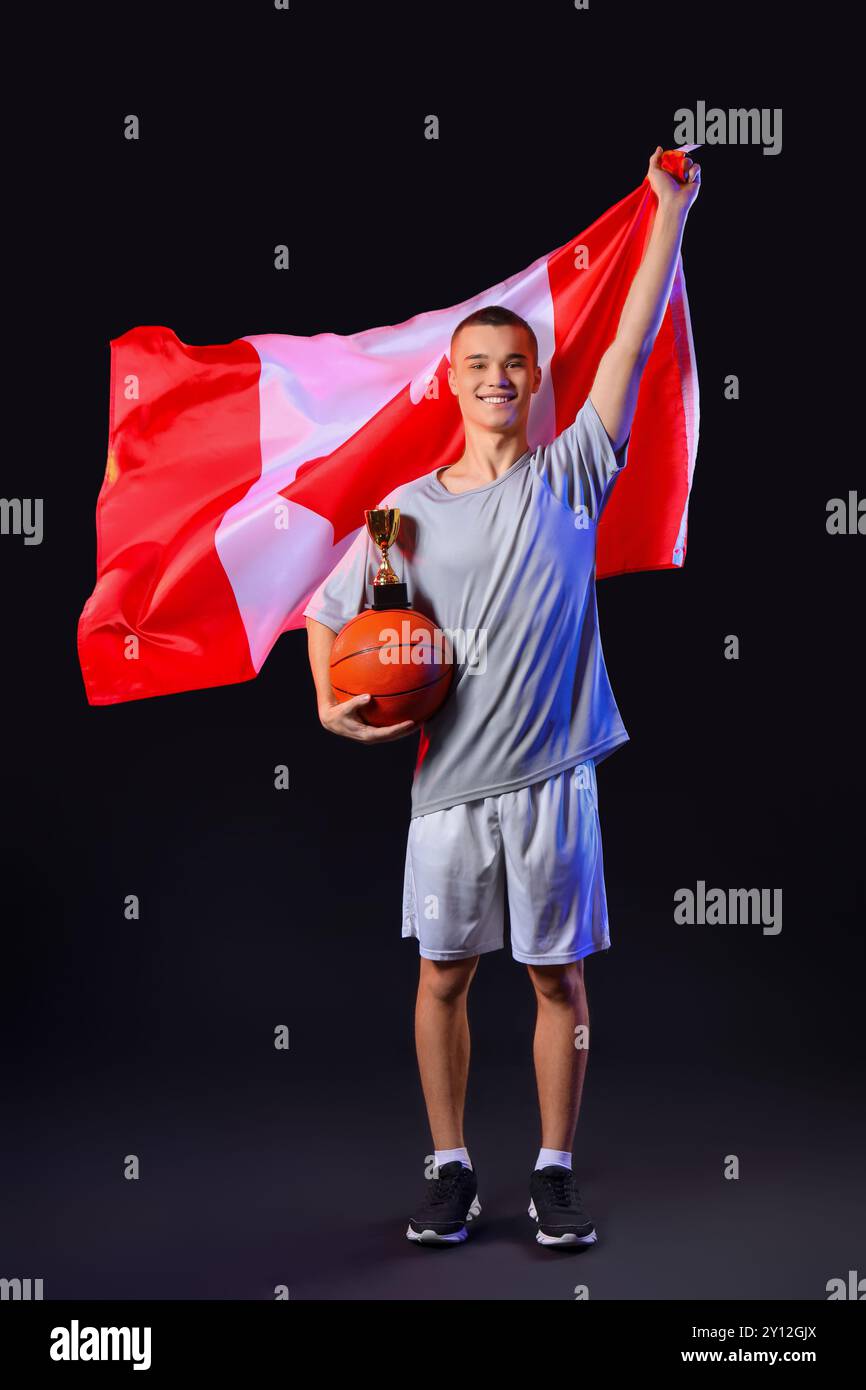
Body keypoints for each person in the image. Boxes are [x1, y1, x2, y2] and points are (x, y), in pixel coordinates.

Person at [304, 147, 701, 1248]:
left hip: (553, 781)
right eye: (475, 362)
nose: (493, 376)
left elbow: (627, 338)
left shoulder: (573, 470)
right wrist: (330, 705)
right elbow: (328, 616)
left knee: (555, 982)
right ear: (452, 379)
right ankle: (448, 1165)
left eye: (512, 362)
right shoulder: (403, 514)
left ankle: (554, 1169)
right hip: (448, 788)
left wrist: (667, 211)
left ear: (533, 381)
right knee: (441, 978)